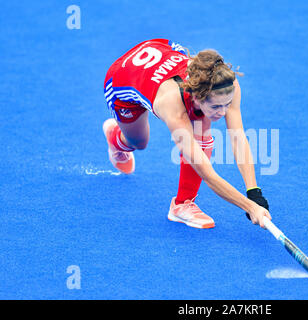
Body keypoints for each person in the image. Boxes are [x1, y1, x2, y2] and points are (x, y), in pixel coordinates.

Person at [102, 38, 271, 229]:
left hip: (161, 49)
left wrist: (254, 193)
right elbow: (205, 172)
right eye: (216, 106)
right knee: (139, 143)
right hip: (122, 79)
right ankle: (116, 139)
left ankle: (181, 205)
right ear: (197, 98)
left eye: (226, 105)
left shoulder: (226, 84)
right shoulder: (173, 106)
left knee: (202, 132)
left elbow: (238, 138)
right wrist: (249, 207)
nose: (223, 112)